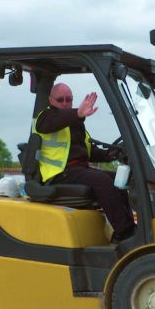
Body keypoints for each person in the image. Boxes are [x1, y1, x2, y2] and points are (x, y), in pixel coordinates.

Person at [34, 82, 136, 243]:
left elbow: (88, 151)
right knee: (101, 181)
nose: (65, 103)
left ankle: (124, 231)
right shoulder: (45, 118)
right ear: (51, 100)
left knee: (120, 181)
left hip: (77, 170)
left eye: (69, 99)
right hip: (58, 173)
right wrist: (78, 114)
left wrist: (112, 154)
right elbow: (54, 122)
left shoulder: (75, 124)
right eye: (60, 99)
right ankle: (126, 231)